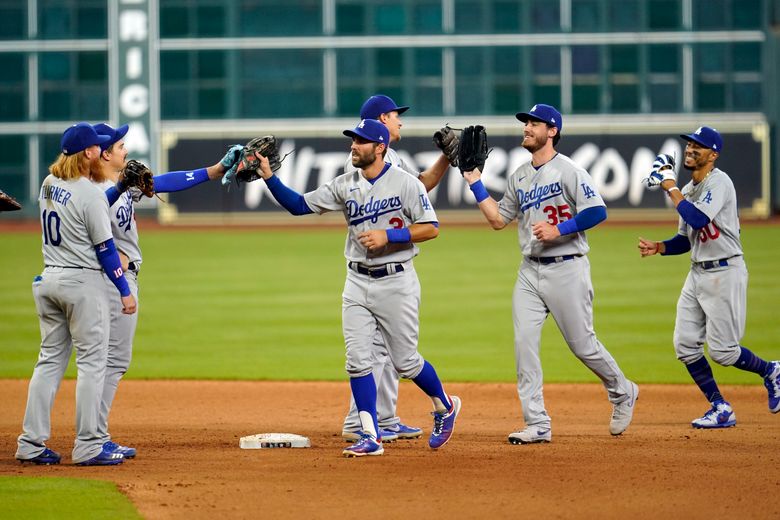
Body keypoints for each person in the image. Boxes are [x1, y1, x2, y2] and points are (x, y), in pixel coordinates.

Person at [255, 119, 461, 457]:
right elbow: (298, 205)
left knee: (406, 362)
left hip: (397, 281)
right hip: (356, 282)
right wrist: (268, 175)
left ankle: (445, 406)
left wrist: (389, 236)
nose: (354, 146)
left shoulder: (406, 183)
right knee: (357, 361)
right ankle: (371, 435)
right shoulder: (344, 184)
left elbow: (431, 228)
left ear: (380, 147)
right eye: (352, 140)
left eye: (361, 141)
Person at [461, 104, 638, 444]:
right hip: (530, 271)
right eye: (525, 122)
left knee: (583, 346)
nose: (526, 127)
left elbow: (598, 210)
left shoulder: (569, 170)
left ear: (552, 131)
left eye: (533, 123)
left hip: (567, 267)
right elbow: (498, 219)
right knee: (524, 344)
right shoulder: (520, 177)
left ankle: (622, 391)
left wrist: (560, 229)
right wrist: (475, 182)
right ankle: (537, 423)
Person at [91, 123, 241, 458]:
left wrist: (217, 169)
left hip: (113, 280)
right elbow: (89, 236)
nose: (125, 151)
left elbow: (165, 182)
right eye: (120, 146)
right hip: (112, 281)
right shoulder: (94, 192)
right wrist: (118, 266)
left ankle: (91, 434)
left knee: (103, 361)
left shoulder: (115, 185)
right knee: (110, 361)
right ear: (103, 153)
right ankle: (93, 437)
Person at [638, 126, 780, 427]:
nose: (690, 148)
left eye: (698, 145)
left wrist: (670, 187)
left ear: (713, 154)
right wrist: (660, 247)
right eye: (689, 143)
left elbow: (699, 219)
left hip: (725, 271)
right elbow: (686, 237)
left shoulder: (720, 182)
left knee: (723, 352)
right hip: (697, 272)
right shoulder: (688, 191)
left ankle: (771, 370)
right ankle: (720, 406)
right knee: (685, 345)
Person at [16, 122, 137, 466]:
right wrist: (124, 291)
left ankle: (30, 443)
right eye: (98, 146)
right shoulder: (89, 193)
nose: (102, 148)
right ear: (88, 152)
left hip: (48, 281)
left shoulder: (48, 184)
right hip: (82, 286)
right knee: (92, 365)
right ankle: (88, 445)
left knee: (49, 363)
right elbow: (106, 250)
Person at [341, 94, 455, 443]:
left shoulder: (390, 157)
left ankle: (378, 420)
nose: (400, 121)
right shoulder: (364, 163)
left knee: (381, 352)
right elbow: (417, 191)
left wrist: (447, 157)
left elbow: (416, 187)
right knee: (376, 352)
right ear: (379, 122)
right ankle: (368, 422)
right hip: (374, 268)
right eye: (393, 116)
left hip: (383, 268)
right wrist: (448, 158)